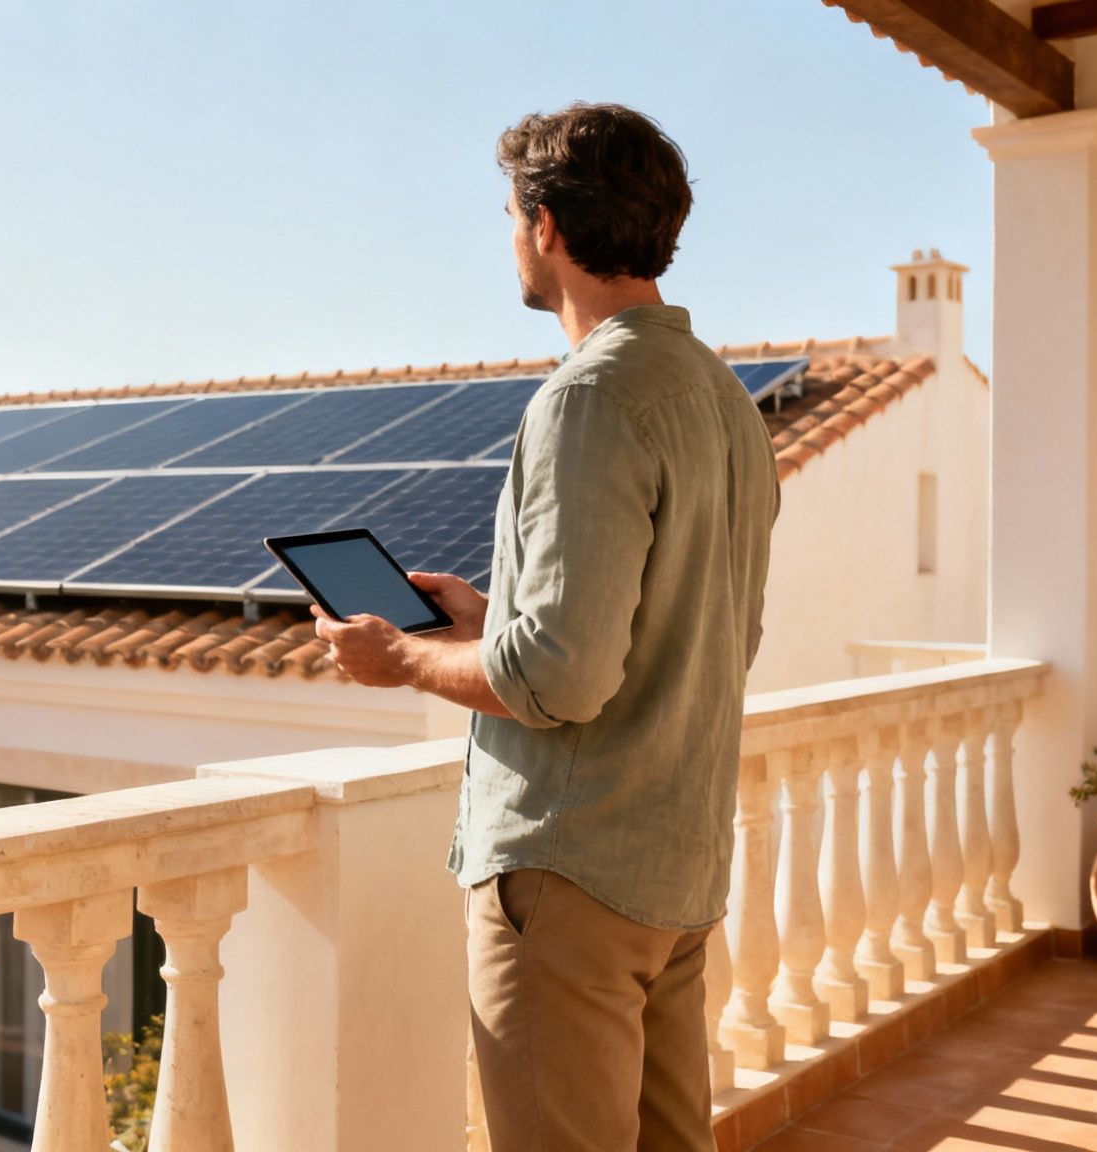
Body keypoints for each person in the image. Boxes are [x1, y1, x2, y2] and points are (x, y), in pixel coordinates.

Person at [313, 102, 779, 1152]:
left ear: (546, 228)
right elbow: (703, 629)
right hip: (675, 864)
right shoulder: (721, 399)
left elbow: (560, 682)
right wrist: (494, 621)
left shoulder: (588, 397)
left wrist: (400, 655)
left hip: (570, 879)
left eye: (510, 219)